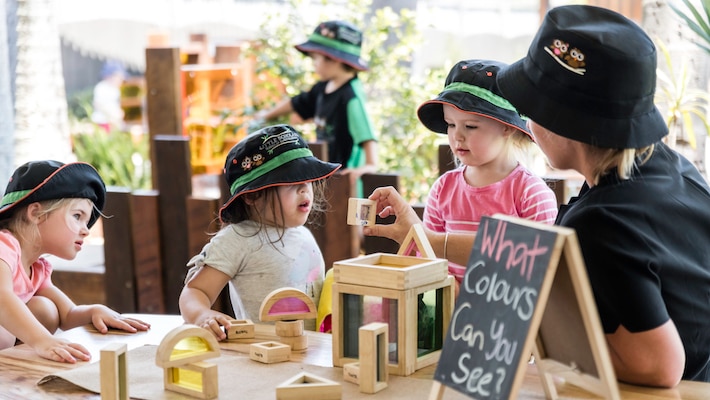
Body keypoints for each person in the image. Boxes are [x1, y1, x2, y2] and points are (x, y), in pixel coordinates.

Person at [365, 5, 710, 387]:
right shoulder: (666, 168)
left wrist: (537, 348)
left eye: (530, 108)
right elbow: (540, 253)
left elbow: (659, 366)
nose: (526, 123)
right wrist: (431, 241)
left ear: (564, 121)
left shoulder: (604, 220)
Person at [179, 124, 341, 340]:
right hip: (265, 355)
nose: (305, 188)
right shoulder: (238, 239)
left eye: (308, 179)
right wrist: (202, 315)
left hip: (311, 353)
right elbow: (195, 291)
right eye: (291, 181)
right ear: (251, 195)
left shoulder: (302, 234)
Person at [416, 59, 558, 292]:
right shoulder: (443, 188)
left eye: (470, 126)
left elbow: (541, 270)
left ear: (507, 127)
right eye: (450, 125)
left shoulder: (530, 193)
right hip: (448, 314)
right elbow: (428, 259)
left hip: (507, 318)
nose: (457, 137)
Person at [0, 160, 150, 363]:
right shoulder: (4, 244)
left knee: (47, 310)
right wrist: (43, 340)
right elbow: (2, 298)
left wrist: (95, 311)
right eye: (77, 216)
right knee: (5, 332)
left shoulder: (37, 269)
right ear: (36, 213)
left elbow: (67, 314)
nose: (86, 230)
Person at [254, 20, 377, 194]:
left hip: (347, 183)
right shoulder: (323, 88)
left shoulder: (351, 97)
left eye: (315, 59)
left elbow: (367, 137)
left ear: (332, 59)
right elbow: (296, 103)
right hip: (329, 178)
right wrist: (265, 116)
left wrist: (370, 165)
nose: (313, 64)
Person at [91, 60, 126, 133]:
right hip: (103, 122)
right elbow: (98, 104)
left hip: (113, 123)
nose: (121, 80)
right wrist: (113, 114)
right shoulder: (102, 87)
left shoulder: (116, 89)